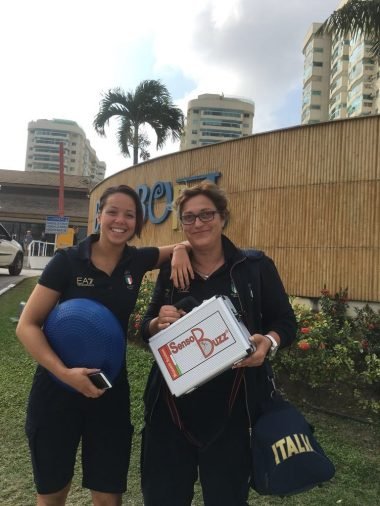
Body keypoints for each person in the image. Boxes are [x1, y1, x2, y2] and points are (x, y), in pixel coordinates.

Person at [16, 184, 193, 506]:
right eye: (112, 211)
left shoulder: (137, 260)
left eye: (129, 215)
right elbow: (27, 325)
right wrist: (64, 373)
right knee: (52, 493)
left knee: (108, 495)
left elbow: (181, 244)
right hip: (57, 390)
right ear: (99, 215)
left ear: (137, 222)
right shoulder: (67, 262)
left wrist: (180, 250)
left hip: (110, 390)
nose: (120, 221)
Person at [140, 181, 297, 506]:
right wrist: (157, 323)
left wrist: (267, 343)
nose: (198, 224)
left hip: (233, 415)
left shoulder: (254, 267)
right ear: (182, 224)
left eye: (206, 215)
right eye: (189, 217)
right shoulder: (172, 271)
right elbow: (146, 327)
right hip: (170, 415)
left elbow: (285, 321)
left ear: (223, 217)